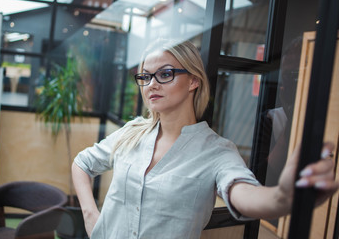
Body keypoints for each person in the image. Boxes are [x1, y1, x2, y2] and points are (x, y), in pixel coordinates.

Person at [72, 39, 338, 239]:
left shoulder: (217, 152)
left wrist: (281, 198)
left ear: (193, 81)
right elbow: (82, 163)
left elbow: (242, 191)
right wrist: (89, 214)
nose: (151, 84)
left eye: (165, 74)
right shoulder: (132, 131)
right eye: (145, 77)